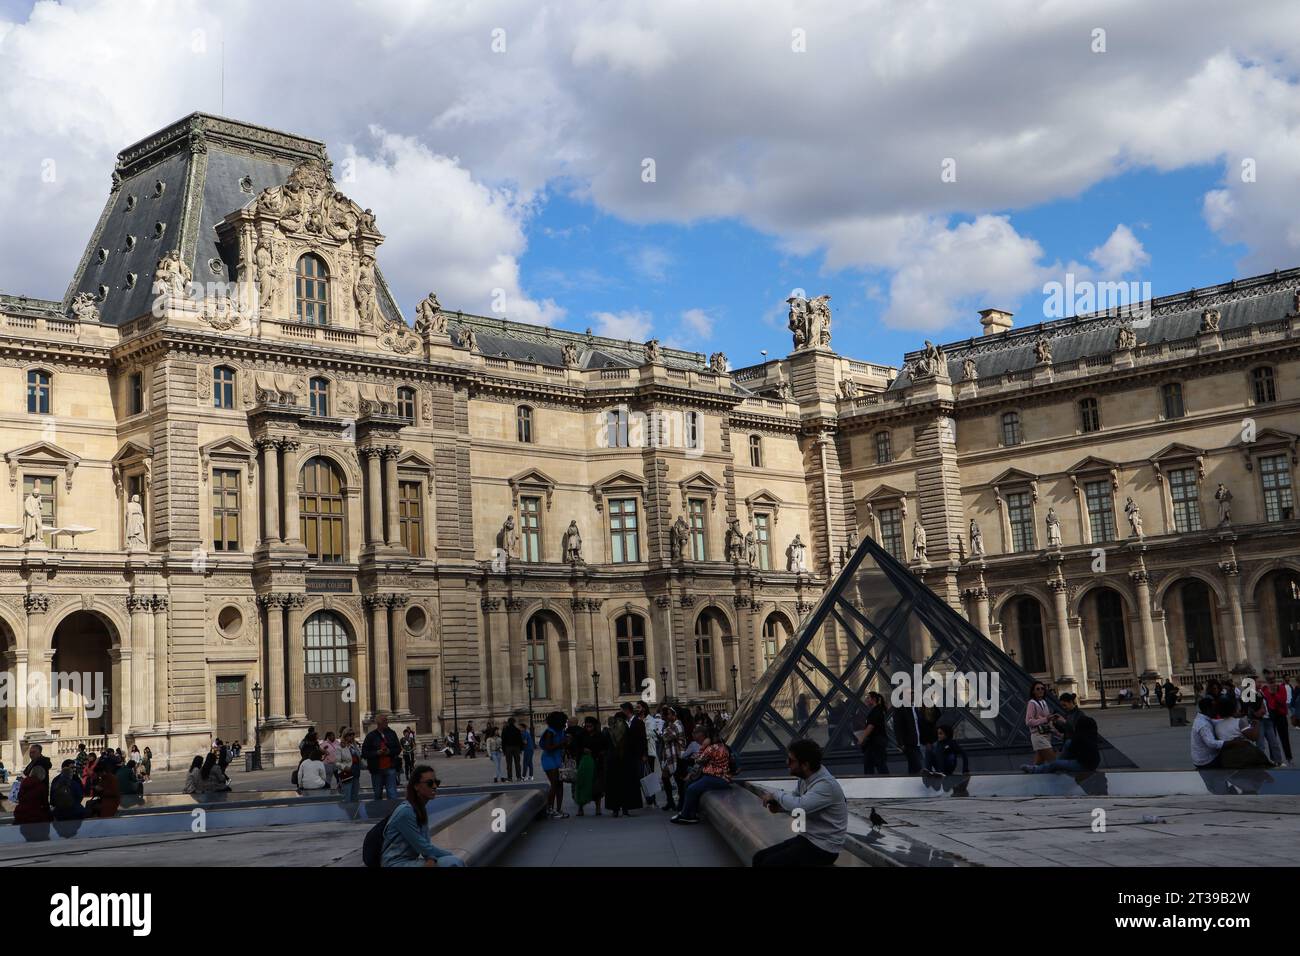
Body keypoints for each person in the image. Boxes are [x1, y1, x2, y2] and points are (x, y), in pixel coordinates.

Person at [752, 739, 847, 866]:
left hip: (824, 848)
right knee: (759, 858)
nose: (787, 763)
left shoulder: (825, 785)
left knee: (769, 864)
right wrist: (780, 807)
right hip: (809, 839)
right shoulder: (805, 778)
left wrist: (775, 793)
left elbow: (800, 806)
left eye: (791, 761)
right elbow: (796, 802)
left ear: (805, 765)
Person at [380, 766, 466, 867]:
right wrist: (450, 855)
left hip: (409, 861)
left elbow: (425, 844)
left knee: (452, 862)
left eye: (436, 782)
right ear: (416, 786)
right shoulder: (406, 812)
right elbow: (422, 846)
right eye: (430, 783)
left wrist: (431, 858)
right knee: (453, 862)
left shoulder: (420, 809)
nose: (434, 786)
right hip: (395, 863)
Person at [1020, 693, 1099, 773]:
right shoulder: (1069, 714)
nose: (1064, 708)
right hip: (1075, 748)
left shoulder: (1080, 716)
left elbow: (1076, 731)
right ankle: (1044, 767)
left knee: (1057, 762)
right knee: (1059, 757)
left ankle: (1037, 769)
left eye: (1065, 705)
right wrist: (1056, 723)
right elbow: (1064, 730)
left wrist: (1064, 722)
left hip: (1079, 753)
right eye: (1062, 706)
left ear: (1071, 702)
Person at [670, 725, 731, 824]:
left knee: (691, 788)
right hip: (721, 778)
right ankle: (690, 814)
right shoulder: (723, 746)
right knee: (691, 786)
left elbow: (699, 759)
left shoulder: (712, 748)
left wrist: (703, 747)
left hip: (715, 777)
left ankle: (686, 815)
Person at [603, 710, 645, 817]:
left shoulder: (609, 731)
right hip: (626, 761)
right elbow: (634, 744)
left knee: (614, 786)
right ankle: (625, 808)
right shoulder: (627, 728)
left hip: (614, 762)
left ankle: (615, 809)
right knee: (626, 785)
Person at [363, 712, 402, 800]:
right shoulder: (371, 736)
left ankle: (393, 811)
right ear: (379, 723)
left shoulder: (392, 733)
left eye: (387, 720)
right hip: (377, 769)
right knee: (377, 793)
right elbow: (364, 753)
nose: (387, 722)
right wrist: (377, 753)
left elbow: (398, 749)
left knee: (392, 794)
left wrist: (389, 752)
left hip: (390, 767)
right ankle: (377, 812)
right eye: (385, 720)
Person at [538, 711, 570, 818]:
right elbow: (548, 748)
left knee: (559, 785)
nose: (566, 722)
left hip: (557, 758)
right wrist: (563, 743)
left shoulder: (560, 731)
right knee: (555, 784)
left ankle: (558, 809)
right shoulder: (550, 732)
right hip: (549, 759)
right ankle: (550, 809)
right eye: (564, 721)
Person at [573, 715, 606, 816]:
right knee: (582, 785)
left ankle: (598, 808)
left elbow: (604, 748)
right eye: (586, 726)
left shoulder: (600, 736)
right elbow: (576, 747)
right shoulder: (581, 735)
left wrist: (599, 753)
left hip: (597, 763)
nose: (588, 728)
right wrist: (583, 750)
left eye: (590, 726)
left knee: (597, 787)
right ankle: (580, 808)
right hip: (584, 763)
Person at [1261, 670, 1292, 766]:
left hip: (1281, 715)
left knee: (1284, 737)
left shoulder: (1281, 688)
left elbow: (1283, 702)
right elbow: (1268, 703)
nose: (1272, 681)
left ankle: (1288, 757)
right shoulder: (1264, 689)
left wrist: (1274, 694)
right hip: (1270, 715)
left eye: (1273, 679)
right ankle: (1274, 758)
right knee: (1272, 739)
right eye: (1269, 679)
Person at [659, 706, 685, 812]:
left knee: (679, 780)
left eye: (669, 714)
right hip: (670, 756)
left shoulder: (677, 724)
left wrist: (664, 733)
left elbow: (666, 736)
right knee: (665, 777)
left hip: (678, 756)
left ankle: (681, 802)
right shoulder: (670, 725)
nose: (667, 715)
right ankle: (670, 801)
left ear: (674, 715)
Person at [858, 692, 889, 774]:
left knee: (877, 765)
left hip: (875, 743)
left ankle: (883, 781)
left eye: (868, 698)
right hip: (876, 743)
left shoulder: (876, 711)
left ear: (874, 699)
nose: (866, 700)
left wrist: (862, 738)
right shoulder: (878, 710)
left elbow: (871, 726)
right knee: (874, 764)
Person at [1025, 681, 1056, 764]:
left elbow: (1048, 721)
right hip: (1038, 736)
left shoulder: (1044, 702)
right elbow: (1028, 722)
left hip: (1046, 735)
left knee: (1039, 763)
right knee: (1054, 761)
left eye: (1042, 688)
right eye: (1037, 689)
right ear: (1033, 691)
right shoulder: (1032, 703)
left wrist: (1057, 733)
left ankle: (1032, 775)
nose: (1040, 690)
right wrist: (1045, 719)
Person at [892, 700, 924, 774]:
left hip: (917, 742)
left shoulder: (915, 707)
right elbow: (897, 726)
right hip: (908, 743)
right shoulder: (901, 708)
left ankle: (912, 783)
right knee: (917, 767)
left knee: (912, 768)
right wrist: (900, 743)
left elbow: (918, 724)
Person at [339, 729, 363, 802]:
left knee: (355, 795)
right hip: (347, 773)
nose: (352, 736)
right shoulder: (341, 747)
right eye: (350, 735)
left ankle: (354, 810)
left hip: (356, 771)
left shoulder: (354, 746)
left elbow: (359, 758)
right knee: (347, 795)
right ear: (345, 736)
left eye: (353, 735)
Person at [502, 717, 524, 782]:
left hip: (508, 748)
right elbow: (520, 740)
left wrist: (504, 750)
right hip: (516, 748)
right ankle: (519, 777)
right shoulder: (517, 730)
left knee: (509, 764)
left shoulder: (505, 730)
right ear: (514, 722)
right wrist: (521, 749)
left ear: (508, 722)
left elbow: (503, 740)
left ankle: (510, 777)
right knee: (517, 763)